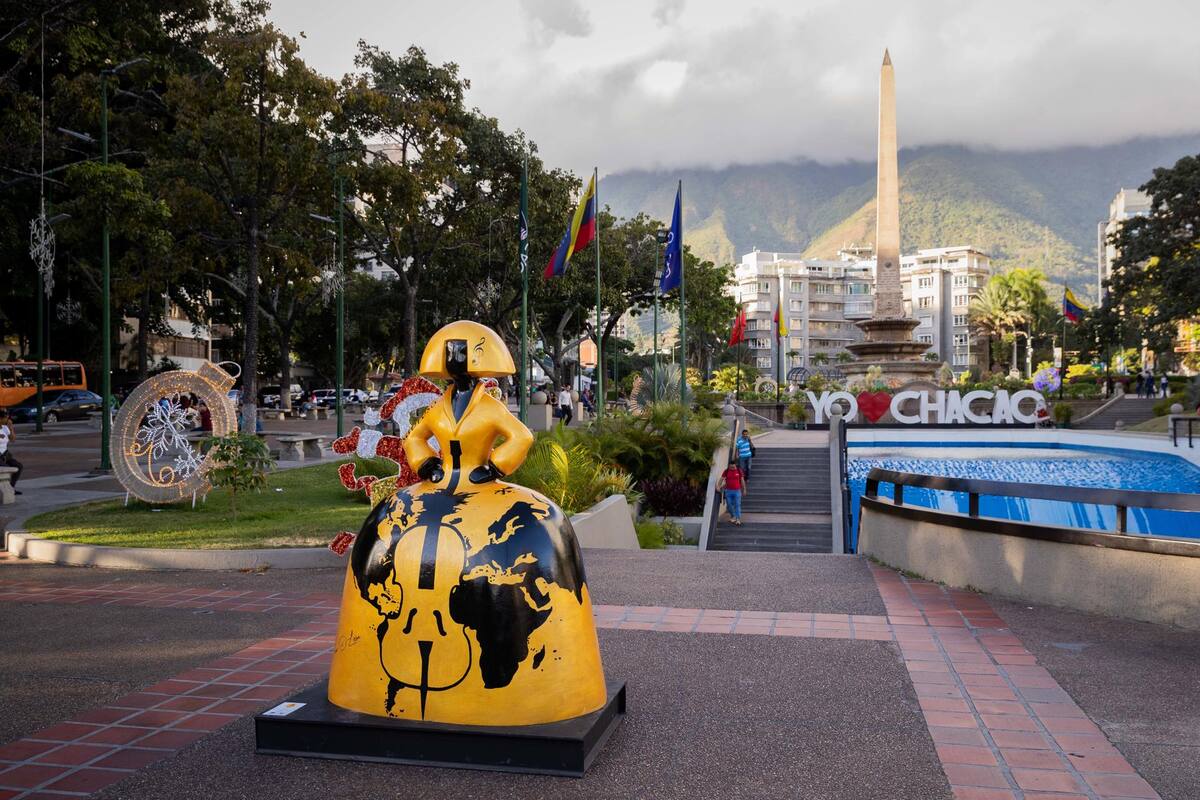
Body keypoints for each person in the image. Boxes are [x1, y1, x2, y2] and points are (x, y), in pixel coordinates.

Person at [0, 409, 22, 495]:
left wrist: (11, 428)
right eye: (6, 418)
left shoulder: (5, 428)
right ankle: (4, 489)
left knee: (18, 466)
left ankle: (10, 487)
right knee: (6, 468)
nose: (7, 420)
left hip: (5, 454)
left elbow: (12, 439)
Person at [718, 455, 746, 526]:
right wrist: (718, 486)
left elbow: (742, 480)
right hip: (728, 491)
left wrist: (744, 489)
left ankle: (738, 519)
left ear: (735, 466)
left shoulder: (739, 471)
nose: (732, 468)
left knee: (737, 504)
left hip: (737, 491)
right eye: (731, 467)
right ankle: (733, 516)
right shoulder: (726, 471)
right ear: (729, 466)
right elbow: (721, 479)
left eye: (733, 467)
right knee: (729, 505)